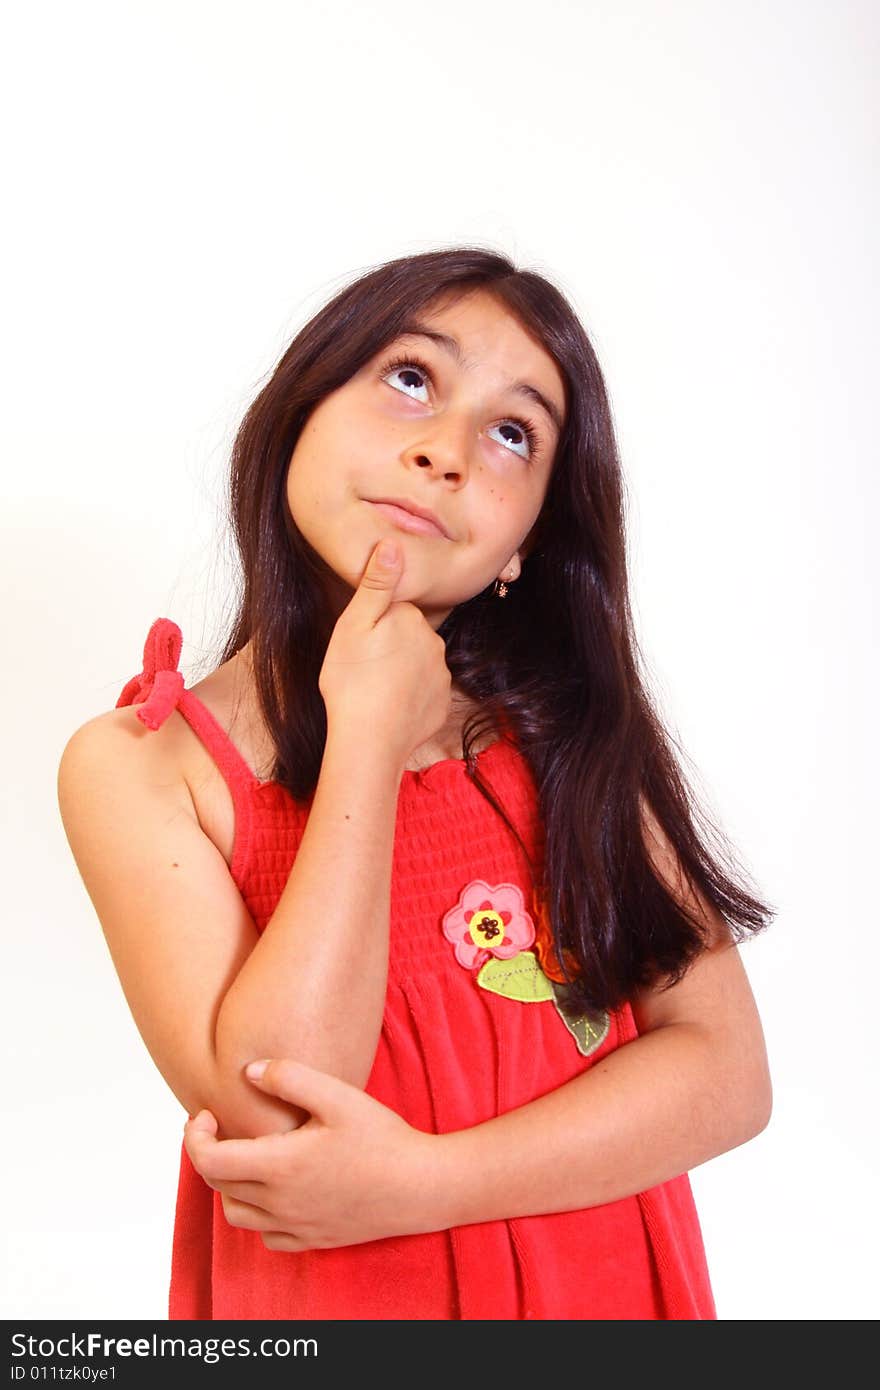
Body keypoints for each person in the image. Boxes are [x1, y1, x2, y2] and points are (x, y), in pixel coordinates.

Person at [57, 245, 774, 1321]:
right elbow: (281, 1102)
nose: (445, 451)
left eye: (510, 433)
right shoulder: (144, 766)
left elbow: (725, 1075)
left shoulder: (564, 737)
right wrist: (366, 738)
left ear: (522, 544)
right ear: (303, 403)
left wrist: (424, 1184)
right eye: (410, 378)